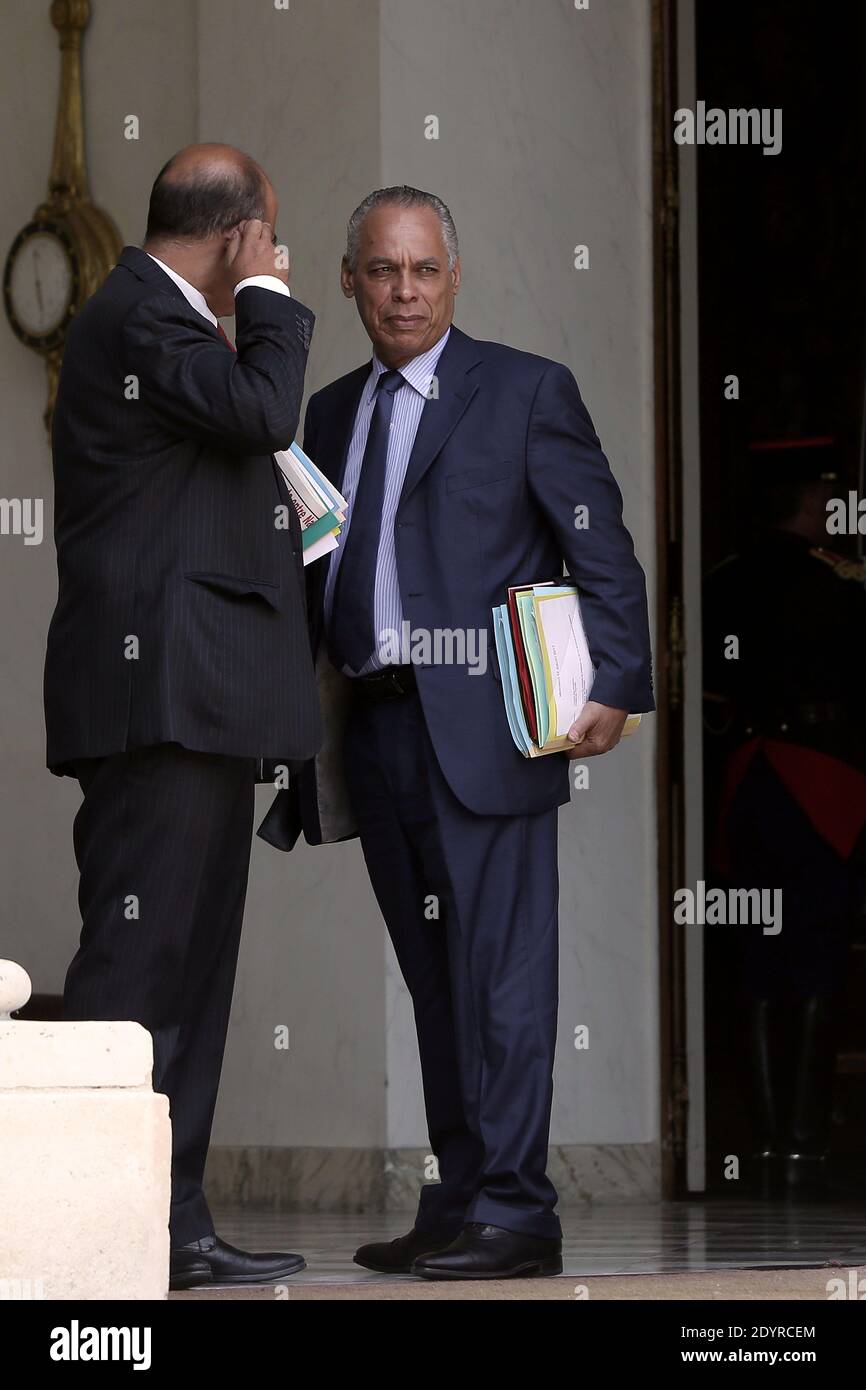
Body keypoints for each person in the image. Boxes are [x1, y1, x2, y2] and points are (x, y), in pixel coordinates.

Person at [259, 186, 654, 1279]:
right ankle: (463, 1190)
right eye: (381, 270)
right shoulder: (331, 414)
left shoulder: (525, 391)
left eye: (422, 269)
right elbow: (314, 572)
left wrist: (614, 681)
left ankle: (519, 1211)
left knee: (503, 978)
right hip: (377, 734)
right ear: (347, 281)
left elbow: (599, 546)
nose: (402, 290)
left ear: (454, 276)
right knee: (435, 981)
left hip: (492, 729)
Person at [45, 144, 320, 1289]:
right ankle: (75, 1231)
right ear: (238, 232)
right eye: (268, 239)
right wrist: (265, 300)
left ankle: (170, 1224)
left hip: (199, 700)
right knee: (135, 976)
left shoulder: (160, 324)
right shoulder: (141, 318)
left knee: (191, 977)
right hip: (158, 696)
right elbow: (262, 407)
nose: (273, 255)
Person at [704, 436, 866, 1196]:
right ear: (810, 506)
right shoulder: (839, 585)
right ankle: (802, 1136)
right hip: (822, 782)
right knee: (818, 955)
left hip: (749, 777)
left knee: (760, 957)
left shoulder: (726, 581)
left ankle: (769, 1139)